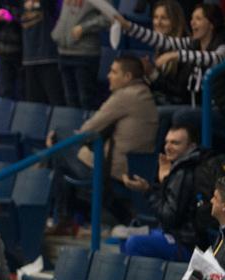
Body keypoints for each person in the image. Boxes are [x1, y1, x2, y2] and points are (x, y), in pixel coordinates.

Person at [47, 56, 158, 230]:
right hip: (128, 165)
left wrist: (56, 138)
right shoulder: (142, 93)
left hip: (113, 170)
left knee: (59, 141)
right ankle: (65, 218)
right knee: (61, 149)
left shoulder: (125, 96)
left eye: (114, 72)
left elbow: (87, 130)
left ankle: (63, 219)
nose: (108, 76)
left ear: (127, 77)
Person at [116, 3, 225, 108]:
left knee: (175, 116)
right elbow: (163, 41)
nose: (192, 22)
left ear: (211, 24)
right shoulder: (192, 43)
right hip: (193, 108)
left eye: (198, 19)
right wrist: (128, 26)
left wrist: (175, 55)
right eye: (192, 18)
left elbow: (215, 58)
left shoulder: (222, 44)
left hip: (214, 111)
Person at [121, 123, 204, 260]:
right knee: (124, 237)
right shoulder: (177, 169)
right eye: (167, 142)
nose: (168, 147)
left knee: (134, 243)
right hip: (172, 234)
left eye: (175, 143)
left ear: (191, 147)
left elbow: (168, 218)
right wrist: (157, 185)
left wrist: (149, 191)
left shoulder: (185, 172)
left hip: (185, 244)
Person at [51, 0, 109, 109]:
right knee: (69, 98)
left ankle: (87, 126)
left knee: (85, 99)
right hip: (63, 51)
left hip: (85, 53)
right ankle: (72, 125)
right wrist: (57, 33)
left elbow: (109, 17)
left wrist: (84, 27)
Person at [19, 0, 65, 105]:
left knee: (56, 101)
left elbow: (53, 9)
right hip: (29, 57)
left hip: (49, 56)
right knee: (32, 103)